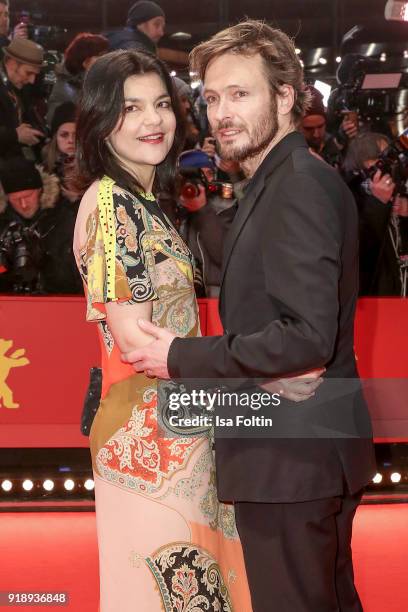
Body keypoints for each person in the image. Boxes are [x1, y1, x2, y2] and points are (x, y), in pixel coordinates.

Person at [121, 21, 376, 612]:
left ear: (285, 97)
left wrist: (177, 357)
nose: (222, 113)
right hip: (301, 450)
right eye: (212, 98)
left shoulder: (297, 187)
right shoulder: (282, 181)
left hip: (294, 460)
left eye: (241, 94)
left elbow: (306, 337)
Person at [0, 156, 81, 294]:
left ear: (40, 191)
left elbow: (75, 277)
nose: (24, 205)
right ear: (6, 198)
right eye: (16, 199)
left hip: (58, 302)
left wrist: (46, 261)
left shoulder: (64, 220)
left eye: (28, 196)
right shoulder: (3, 227)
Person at [344, 131, 408, 296]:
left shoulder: (400, 194)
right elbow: (362, 255)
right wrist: (378, 204)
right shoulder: (350, 201)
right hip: (376, 303)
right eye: (381, 163)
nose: (389, 167)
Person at [46, 33, 109, 125]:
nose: (106, 60)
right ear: (85, 61)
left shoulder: (99, 82)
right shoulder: (66, 89)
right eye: (100, 56)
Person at [0, 38, 45, 160]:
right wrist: (15, 135)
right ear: (13, 63)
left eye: (36, 75)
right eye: (29, 73)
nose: (32, 80)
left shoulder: (19, 87)